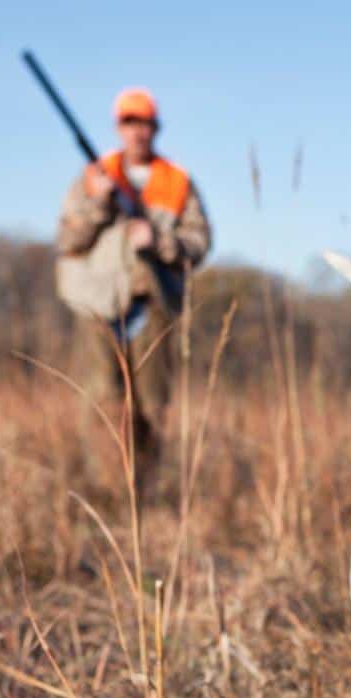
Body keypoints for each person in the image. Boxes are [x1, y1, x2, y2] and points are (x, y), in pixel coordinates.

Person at [55, 87, 211, 478]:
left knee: (152, 405)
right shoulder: (94, 177)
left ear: (155, 127)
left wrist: (159, 242)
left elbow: (200, 242)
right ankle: (108, 490)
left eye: (143, 122)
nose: (137, 131)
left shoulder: (176, 181)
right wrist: (98, 206)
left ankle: (146, 486)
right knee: (103, 402)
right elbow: (67, 241)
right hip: (98, 305)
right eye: (129, 122)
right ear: (118, 127)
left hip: (153, 303)